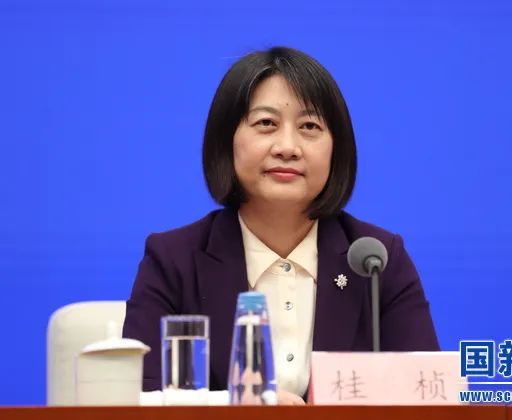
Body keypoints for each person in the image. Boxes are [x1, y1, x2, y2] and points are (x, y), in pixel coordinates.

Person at [122, 46, 439, 405]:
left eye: (309, 127)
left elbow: (428, 397)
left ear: (336, 149)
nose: (288, 147)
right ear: (227, 141)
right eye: (266, 124)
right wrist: (233, 405)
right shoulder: (174, 260)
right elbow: (138, 401)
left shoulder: (376, 261)